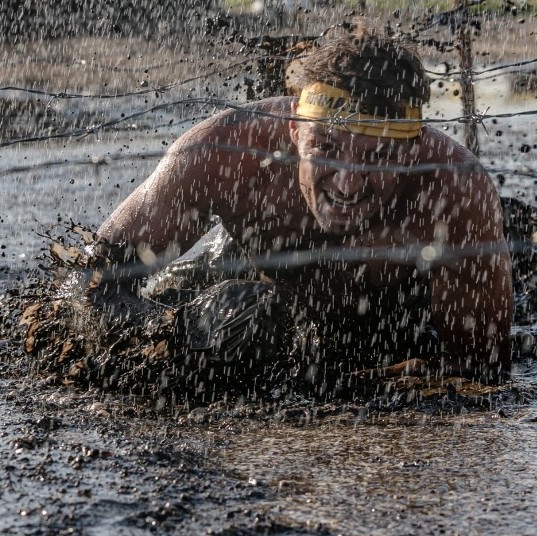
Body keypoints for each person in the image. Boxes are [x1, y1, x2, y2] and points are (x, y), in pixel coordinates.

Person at [91, 23, 512, 383]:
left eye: (377, 156)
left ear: (412, 151)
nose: (348, 183)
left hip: (389, 327)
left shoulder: (454, 191)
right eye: (326, 148)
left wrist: (358, 387)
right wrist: (167, 333)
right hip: (251, 272)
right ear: (295, 130)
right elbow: (87, 280)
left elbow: (480, 365)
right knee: (234, 316)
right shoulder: (224, 152)